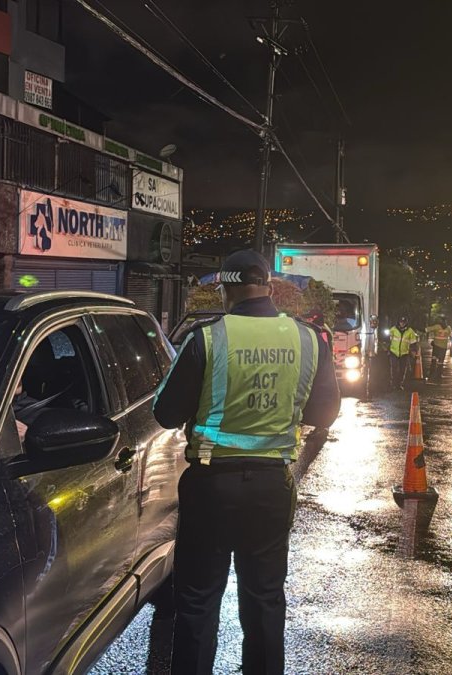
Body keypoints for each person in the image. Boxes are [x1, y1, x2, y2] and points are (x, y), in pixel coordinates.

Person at [153, 249, 341, 675]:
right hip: (272, 487)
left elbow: (165, 413)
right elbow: (324, 414)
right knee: (264, 600)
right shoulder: (308, 339)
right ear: (269, 289)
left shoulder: (206, 338)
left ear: (226, 291)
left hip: (210, 485)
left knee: (198, 602)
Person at [388, 316, 419, 390]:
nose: (402, 324)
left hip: (404, 353)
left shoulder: (410, 331)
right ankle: (393, 384)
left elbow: (413, 342)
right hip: (394, 352)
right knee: (394, 369)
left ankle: (400, 384)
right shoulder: (393, 329)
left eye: (403, 322)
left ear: (406, 323)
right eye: (401, 322)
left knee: (402, 370)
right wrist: (387, 349)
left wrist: (413, 351)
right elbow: (388, 340)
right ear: (398, 322)